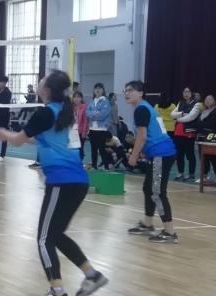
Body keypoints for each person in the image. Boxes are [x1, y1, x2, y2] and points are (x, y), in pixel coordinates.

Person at [0, 71, 109, 296]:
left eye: (44, 79)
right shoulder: (63, 110)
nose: (40, 81)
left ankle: (58, 293)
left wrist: (3, 133)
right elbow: (38, 138)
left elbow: (19, 139)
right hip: (78, 181)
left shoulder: (46, 112)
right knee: (55, 235)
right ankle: (92, 275)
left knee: (43, 238)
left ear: (47, 89)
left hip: (62, 181)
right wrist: (15, 136)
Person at [125, 81, 179, 244]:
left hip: (161, 154)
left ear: (141, 93)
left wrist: (134, 156)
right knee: (148, 188)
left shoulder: (141, 109)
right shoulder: (146, 107)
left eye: (131, 90)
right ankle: (147, 224)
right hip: (159, 153)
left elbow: (142, 137)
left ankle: (170, 233)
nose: (127, 93)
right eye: (125, 91)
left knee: (157, 192)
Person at [170, 87, 201, 181]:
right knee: (179, 155)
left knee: (190, 155)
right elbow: (172, 114)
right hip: (177, 132)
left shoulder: (197, 104)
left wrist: (178, 118)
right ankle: (180, 173)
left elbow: (191, 117)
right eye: (184, 92)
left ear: (192, 93)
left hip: (189, 133)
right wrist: (183, 113)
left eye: (188, 91)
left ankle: (191, 174)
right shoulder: (180, 103)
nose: (186, 93)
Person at [85, 83, 112, 170]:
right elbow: (87, 113)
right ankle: (94, 166)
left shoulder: (106, 101)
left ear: (103, 90)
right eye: (96, 88)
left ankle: (106, 167)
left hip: (102, 129)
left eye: (100, 88)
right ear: (93, 90)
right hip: (92, 129)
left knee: (101, 149)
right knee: (93, 149)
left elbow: (102, 115)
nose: (97, 90)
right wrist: (95, 113)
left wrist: (93, 114)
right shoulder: (92, 101)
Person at [197, 94, 216, 180]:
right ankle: (204, 176)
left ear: (214, 101)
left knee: (214, 158)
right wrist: (202, 125)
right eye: (206, 99)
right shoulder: (203, 111)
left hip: (212, 138)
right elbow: (198, 125)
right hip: (201, 138)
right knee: (203, 158)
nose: (207, 101)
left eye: (210, 99)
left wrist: (202, 125)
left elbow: (211, 124)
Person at [72, 91, 87, 162]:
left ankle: (80, 162)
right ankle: (75, 162)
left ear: (81, 98)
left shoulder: (84, 108)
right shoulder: (72, 108)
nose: (76, 99)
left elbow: (85, 121)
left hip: (81, 132)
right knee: (74, 148)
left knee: (80, 148)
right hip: (73, 131)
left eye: (78, 97)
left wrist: (84, 132)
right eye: (74, 97)